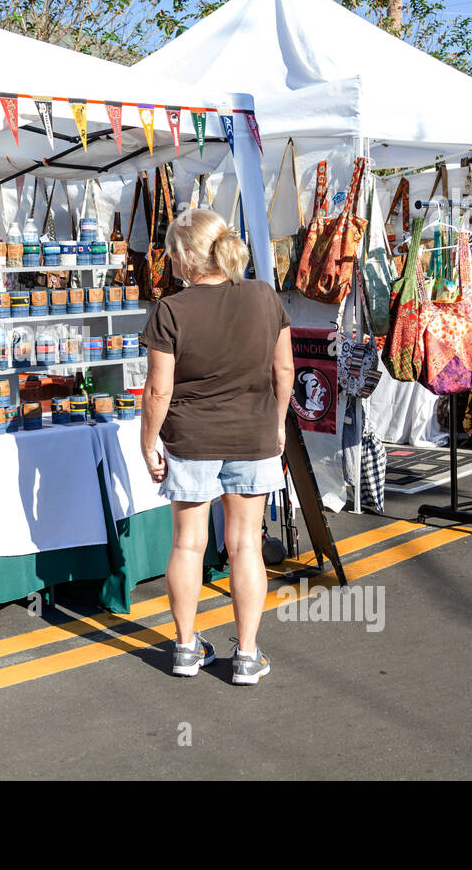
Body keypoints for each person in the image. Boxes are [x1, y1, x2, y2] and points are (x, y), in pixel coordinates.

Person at [140, 208, 294, 685]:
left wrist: (148, 445)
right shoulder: (264, 297)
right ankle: (246, 656)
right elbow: (283, 371)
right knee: (246, 544)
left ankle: (186, 648)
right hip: (253, 434)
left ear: (186, 258)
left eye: (171, 254)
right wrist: (280, 423)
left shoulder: (170, 310)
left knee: (188, 544)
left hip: (191, 438)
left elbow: (158, 391)